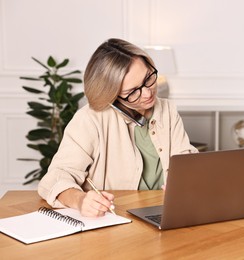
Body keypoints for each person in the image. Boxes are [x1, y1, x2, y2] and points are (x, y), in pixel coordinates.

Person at [38, 38, 198, 217]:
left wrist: (188, 181)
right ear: (112, 96)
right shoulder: (90, 120)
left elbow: (186, 161)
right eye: (132, 92)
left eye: (148, 78)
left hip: (165, 214)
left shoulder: (167, 110)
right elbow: (55, 177)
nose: (147, 93)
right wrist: (80, 200)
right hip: (115, 219)